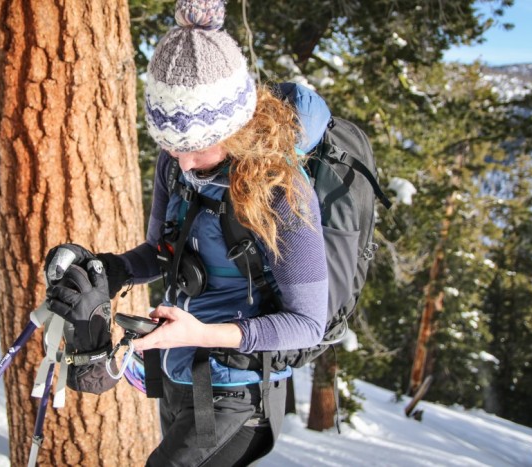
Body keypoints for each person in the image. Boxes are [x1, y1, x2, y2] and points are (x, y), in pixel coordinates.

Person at [44, 0, 329, 465]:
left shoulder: (282, 192)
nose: (182, 162)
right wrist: (108, 270)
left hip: (240, 391)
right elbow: (161, 253)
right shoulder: (175, 166)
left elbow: (307, 325)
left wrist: (202, 331)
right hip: (178, 371)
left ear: (234, 129)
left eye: (194, 147)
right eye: (169, 145)